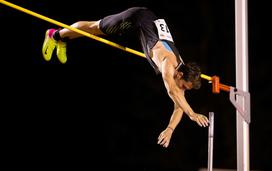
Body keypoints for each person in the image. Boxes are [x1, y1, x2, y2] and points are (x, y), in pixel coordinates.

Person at [42, 7, 209, 148]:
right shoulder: (167, 64)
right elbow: (173, 93)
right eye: (185, 86)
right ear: (180, 75)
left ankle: (61, 39)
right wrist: (193, 114)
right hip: (137, 18)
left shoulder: (181, 68)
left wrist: (170, 129)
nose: (183, 90)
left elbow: (179, 104)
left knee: (97, 30)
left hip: (146, 23)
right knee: (94, 28)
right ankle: (55, 35)